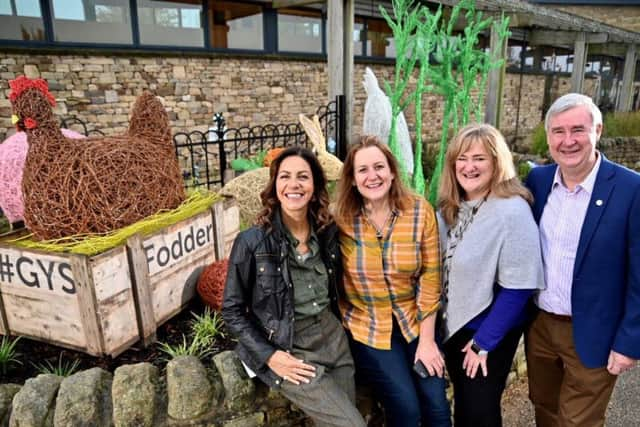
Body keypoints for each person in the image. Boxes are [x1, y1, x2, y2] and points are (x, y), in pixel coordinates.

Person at [222, 147, 366, 427]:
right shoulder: (252, 241)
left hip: (334, 341)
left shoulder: (327, 232)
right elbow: (232, 310)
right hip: (291, 349)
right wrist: (269, 356)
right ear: (275, 186)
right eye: (285, 176)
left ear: (314, 186)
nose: (294, 184)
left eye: (303, 176)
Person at [525, 93, 640, 427]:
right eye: (558, 131)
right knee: (544, 408)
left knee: (578, 422)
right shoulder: (539, 181)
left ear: (598, 130)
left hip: (595, 330)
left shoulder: (631, 190)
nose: (568, 141)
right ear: (548, 137)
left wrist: (630, 342)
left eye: (578, 129)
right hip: (541, 327)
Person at [334, 135, 451, 427]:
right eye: (362, 170)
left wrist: (427, 341)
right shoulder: (340, 218)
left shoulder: (419, 210)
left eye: (379, 167)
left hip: (415, 323)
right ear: (352, 179)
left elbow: (430, 276)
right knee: (407, 410)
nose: (372, 176)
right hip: (369, 328)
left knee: (437, 408)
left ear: (392, 171)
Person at [437, 123, 545, 427]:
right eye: (462, 158)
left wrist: (483, 343)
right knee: (467, 412)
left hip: (486, 334)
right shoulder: (452, 209)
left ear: (497, 163)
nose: (469, 167)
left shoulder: (512, 210)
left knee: (479, 415)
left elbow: (519, 288)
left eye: (479, 158)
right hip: (455, 329)